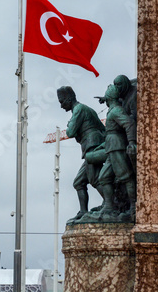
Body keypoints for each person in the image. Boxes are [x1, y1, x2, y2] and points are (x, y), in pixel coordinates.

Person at [57, 86, 105, 222]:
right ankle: (83, 211)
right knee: (79, 182)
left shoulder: (79, 110)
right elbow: (103, 128)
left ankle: (111, 204)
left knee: (94, 179)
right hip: (92, 146)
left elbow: (70, 132)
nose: (61, 106)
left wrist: (70, 124)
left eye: (61, 102)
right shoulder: (85, 109)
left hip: (92, 146)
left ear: (69, 98)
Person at [90, 85, 137, 222]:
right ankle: (109, 207)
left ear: (110, 97)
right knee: (104, 177)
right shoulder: (113, 108)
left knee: (126, 177)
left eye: (106, 95)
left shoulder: (116, 110)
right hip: (111, 146)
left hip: (117, 146)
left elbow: (129, 124)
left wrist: (132, 142)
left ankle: (134, 207)